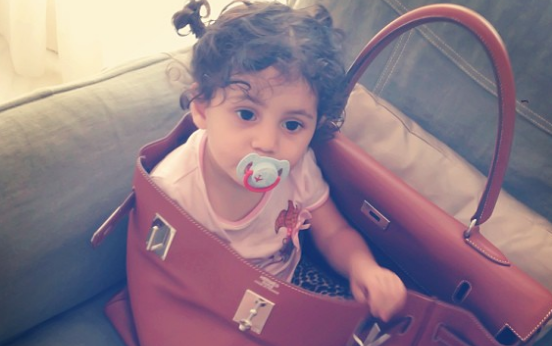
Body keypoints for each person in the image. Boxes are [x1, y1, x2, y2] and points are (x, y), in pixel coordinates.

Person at [152, 0, 406, 322]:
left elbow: (334, 232)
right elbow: (167, 277)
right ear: (202, 109)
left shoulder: (299, 168)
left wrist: (364, 268)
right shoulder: (175, 189)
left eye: (292, 125)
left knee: (356, 327)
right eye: (247, 114)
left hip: (284, 287)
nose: (267, 143)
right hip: (209, 305)